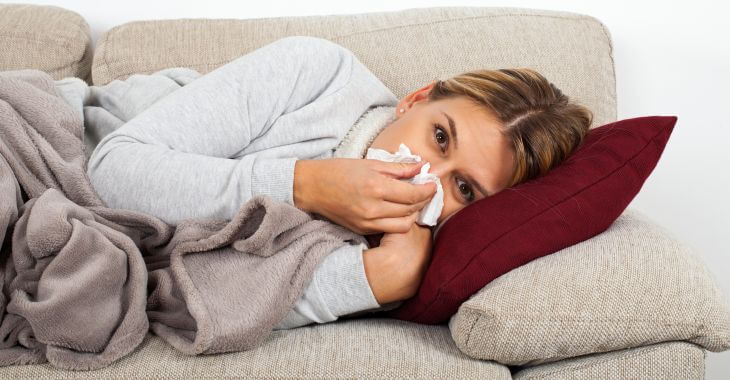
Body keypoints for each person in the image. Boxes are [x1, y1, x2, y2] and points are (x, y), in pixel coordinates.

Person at [86, 35, 592, 330]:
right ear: (416, 99)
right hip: (68, 141)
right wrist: (305, 185)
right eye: (439, 137)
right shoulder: (318, 73)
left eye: (464, 188)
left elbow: (214, 307)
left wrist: (378, 279)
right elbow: (112, 170)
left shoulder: (402, 246)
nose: (424, 174)